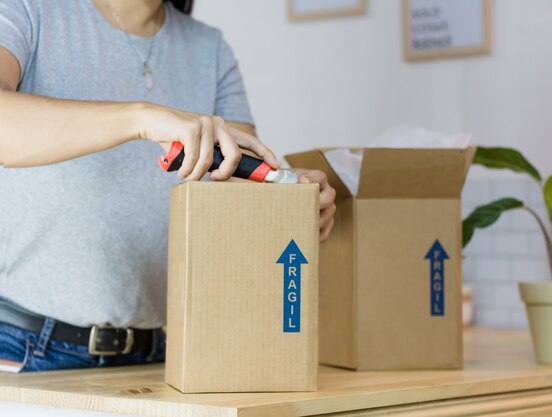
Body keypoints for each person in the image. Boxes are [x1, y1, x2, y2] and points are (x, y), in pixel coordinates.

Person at [0, 0, 336, 373]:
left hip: (158, 352)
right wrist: (141, 117)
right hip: (25, 346)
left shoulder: (208, 48)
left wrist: (290, 198)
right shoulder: (27, 10)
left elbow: (237, 194)